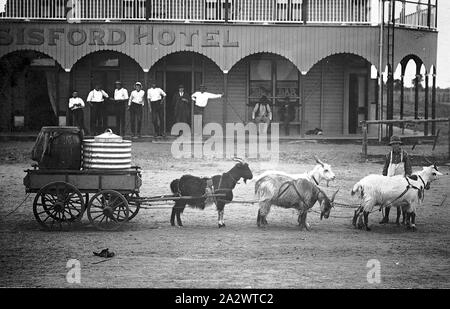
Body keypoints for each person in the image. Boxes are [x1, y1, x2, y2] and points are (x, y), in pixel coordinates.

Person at [380, 135, 412, 224]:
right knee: (387, 198)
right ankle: (386, 217)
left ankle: (404, 218)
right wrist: (383, 178)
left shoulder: (404, 154)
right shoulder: (388, 155)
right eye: (393, 144)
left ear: (399, 144)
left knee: (403, 199)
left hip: (401, 181)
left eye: (397, 144)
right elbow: (385, 168)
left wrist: (408, 178)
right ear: (391, 145)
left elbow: (408, 168)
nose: (395, 146)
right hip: (390, 180)